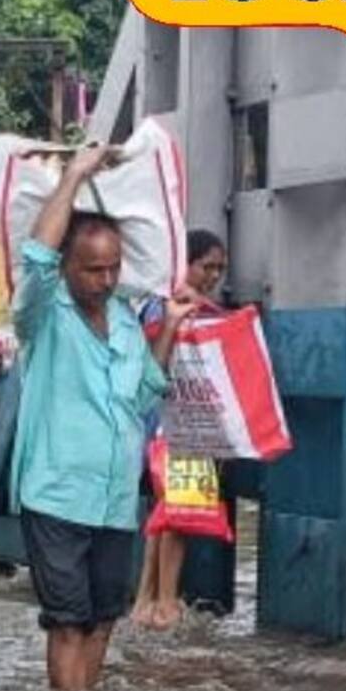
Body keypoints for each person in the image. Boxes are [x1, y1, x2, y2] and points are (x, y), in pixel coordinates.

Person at [13, 146, 196, 691]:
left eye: (114, 267)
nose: (107, 278)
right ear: (67, 266)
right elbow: (35, 259)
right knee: (67, 622)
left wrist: (170, 327)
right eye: (93, 269)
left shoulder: (123, 319)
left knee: (102, 620)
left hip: (114, 499)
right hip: (57, 495)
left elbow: (141, 396)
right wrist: (74, 174)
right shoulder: (42, 315)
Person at [133, 229, 230, 630]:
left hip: (166, 423)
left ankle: (145, 602)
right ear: (184, 264)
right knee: (179, 515)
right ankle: (167, 605)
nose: (214, 276)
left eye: (220, 269)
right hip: (179, 424)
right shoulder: (171, 306)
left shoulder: (160, 303)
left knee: (163, 515)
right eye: (207, 267)